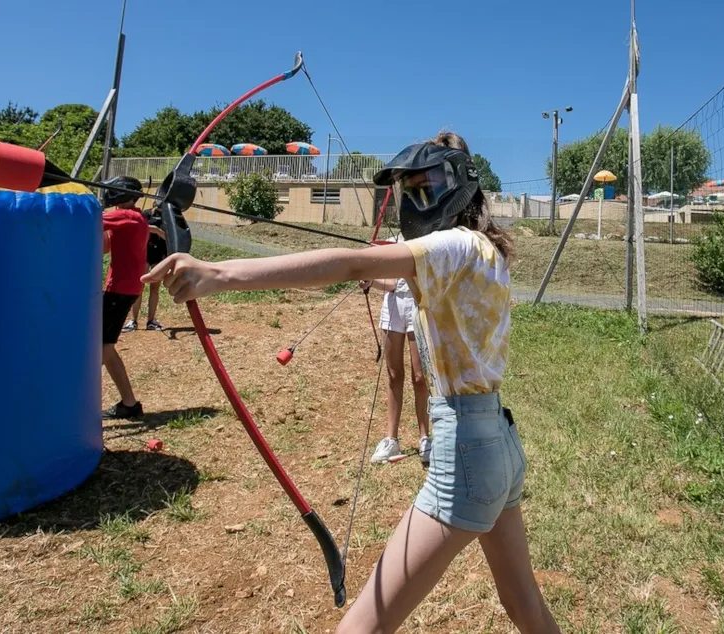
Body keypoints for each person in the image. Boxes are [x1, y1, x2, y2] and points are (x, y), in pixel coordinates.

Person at [143, 131, 559, 632]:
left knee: (361, 626)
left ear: (460, 186)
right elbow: (382, 271)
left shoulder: (453, 244)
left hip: (466, 454)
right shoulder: (483, 249)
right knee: (525, 606)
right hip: (498, 444)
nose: (416, 200)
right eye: (410, 190)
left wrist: (219, 273)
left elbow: (353, 263)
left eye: (426, 188)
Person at [100, 176, 163, 420]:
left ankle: (78, 404)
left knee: (100, 348)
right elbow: (107, 246)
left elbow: (85, 219)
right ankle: (129, 403)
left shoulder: (125, 216)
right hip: (125, 289)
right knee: (104, 348)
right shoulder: (134, 217)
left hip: (120, 290)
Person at [365, 258, 431, 466]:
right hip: (393, 307)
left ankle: (425, 438)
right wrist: (370, 281)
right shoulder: (392, 243)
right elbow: (391, 283)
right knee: (394, 375)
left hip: (418, 304)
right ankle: (391, 439)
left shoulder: (425, 239)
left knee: (419, 377)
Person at [123, 206, 168, 332]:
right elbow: (137, 227)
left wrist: (160, 233)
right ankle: (133, 321)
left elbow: (172, 236)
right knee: (139, 286)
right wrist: (152, 229)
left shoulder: (170, 217)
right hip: (145, 252)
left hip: (160, 254)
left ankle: (151, 321)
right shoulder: (146, 214)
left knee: (155, 288)